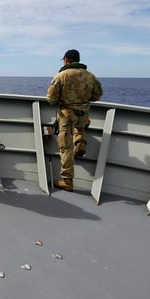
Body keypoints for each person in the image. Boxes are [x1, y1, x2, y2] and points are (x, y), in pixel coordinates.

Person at [46, 49, 103, 192]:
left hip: (67, 115)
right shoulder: (91, 76)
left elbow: (51, 99)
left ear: (66, 60)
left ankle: (67, 181)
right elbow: (97, 95)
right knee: (81, 127)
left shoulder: (61, 75)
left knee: (65, 146)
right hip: (83, 113)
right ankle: (80, 145)